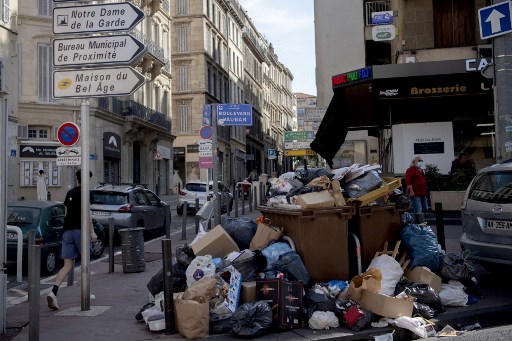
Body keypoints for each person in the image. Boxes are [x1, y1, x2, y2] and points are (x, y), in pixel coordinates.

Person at [47, 169, 97, 310]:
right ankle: (87, 291)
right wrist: (92, 232)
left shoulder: (70, 193)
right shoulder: (88, 193)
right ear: (87, 180)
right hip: (80, 231)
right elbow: (87, 213)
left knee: (67, 265)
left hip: (67, 231)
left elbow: (66, 214)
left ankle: (53, 292)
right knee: (85, 261)